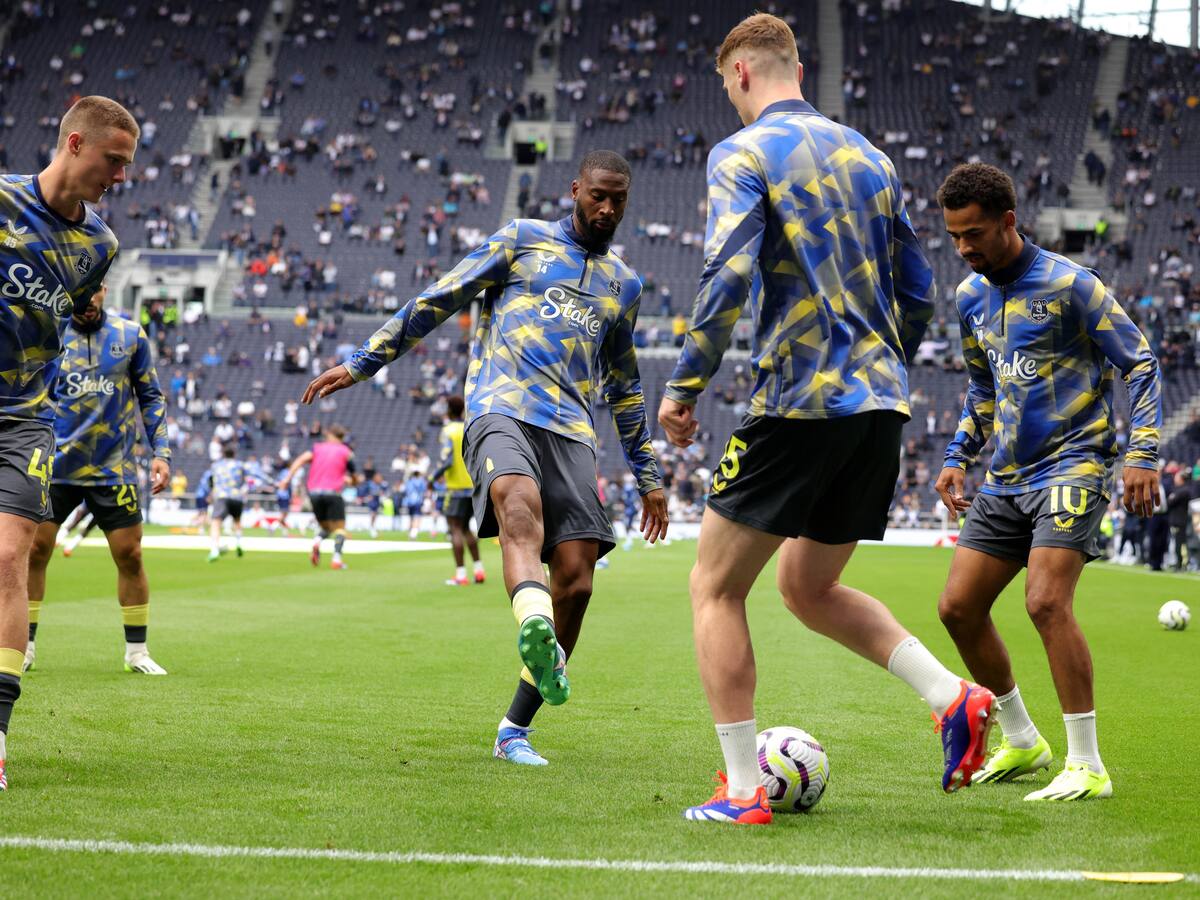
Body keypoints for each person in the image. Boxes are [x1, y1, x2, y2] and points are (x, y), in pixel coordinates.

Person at [655, 14, 994, 825]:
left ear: (740, 75)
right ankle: (954, 699)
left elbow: (728, 271)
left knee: (714, 586)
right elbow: (918, 287)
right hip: (880, 403)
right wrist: (881, 361)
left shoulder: (741, 153)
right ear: (794, 68)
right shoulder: (872, 158)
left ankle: (742, 791)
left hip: (800, 400)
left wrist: (685, 384)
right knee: (808, 586)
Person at [302, 149, 668, 766]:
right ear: (575, 190)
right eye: (597, 195)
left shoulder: (623, 285)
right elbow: (439, 298)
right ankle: (533, 621)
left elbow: (625, 387)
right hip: (501, 408)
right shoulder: (522, 241)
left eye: (618, 200)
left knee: (577, 579)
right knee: (516, 506)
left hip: (573, 432)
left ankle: (513, 730)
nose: (607, 208)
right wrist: (363, 361)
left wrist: (649, 475)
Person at [933, 163, 1163, 802]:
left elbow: (1139, 363)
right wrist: (959, 455)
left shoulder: (1071, 285)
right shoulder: (969, 297)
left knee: (1044, 601)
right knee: (957, 608)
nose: (964, 248)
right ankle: (1023, 739)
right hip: (1005, 475)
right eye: (954, 236)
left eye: (973, 233)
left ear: (1008, 220)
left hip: (1075, 463)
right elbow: (984, 386)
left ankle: (1087, 762)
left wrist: (1142, 455)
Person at [0, 95, 135, 790]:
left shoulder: (101, 246)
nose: (120, 175)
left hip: (26, 416)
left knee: (10, 554)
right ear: (75, 144)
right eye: (114, 160)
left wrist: (87, 311)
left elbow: (79, 311)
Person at [25, 284, 171, 675]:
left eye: (94, 292)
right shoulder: (47, 333)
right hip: (55, 466)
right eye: (80, 293)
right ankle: (24, 646)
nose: (88, 300)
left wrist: (161, 453)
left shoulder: (130, 335)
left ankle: (136, 652)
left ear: (104, 290)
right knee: (34, 554)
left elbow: (151, 396)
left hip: (114, 468)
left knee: (131, 555)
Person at [280, 424, 355, 571]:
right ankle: (336, 559)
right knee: (340, 528)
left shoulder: (317, 448)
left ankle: (316, 541)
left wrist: (287, 479)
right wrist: (352, 481)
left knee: (326, 527)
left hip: (314, 493)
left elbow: (300, 460)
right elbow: (354, 475)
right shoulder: (345, 451)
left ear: (330, 435)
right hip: (333, 493)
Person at [430, 395, 485, 586]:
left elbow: (448, 461)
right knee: (466, 529)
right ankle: (479, 570)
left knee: (454, 529)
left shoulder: (448, 431)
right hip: (472, 487)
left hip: (454, 489)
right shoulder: (469, 428)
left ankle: (461, 575)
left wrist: (432, 478)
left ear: (448, 410)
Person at [208, 443, 248, 562]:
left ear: (223, 454)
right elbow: (250, 477)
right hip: (237, 496)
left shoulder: (216, 465)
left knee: (216, 522)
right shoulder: (240, 464)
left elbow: (210, 480)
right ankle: (239, 542)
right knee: (237, 521)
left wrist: (211, 492)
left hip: (222, 495)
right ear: (234, 454)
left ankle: (215, 550)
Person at [402, 469, 428, 538]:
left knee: (411, 517)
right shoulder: (421, 481)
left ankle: (410, 532)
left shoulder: (409, 481)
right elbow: (424, 491)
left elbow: (406, 491)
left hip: (409, 501)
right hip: (418, 501)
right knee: (417, 516)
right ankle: (413, 533)